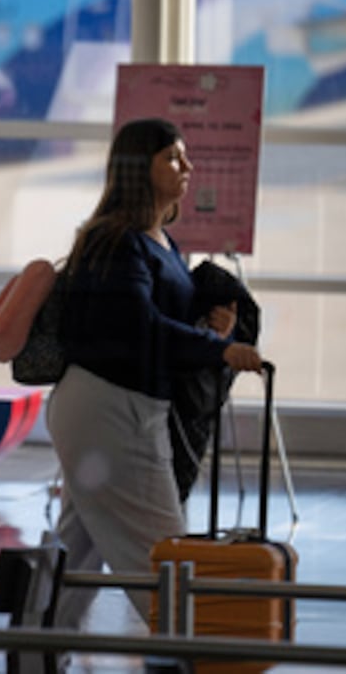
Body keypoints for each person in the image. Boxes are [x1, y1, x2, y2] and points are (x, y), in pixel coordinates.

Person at [46, 117, 263, 632]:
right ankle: (194, 651)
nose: (186, 166)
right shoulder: (119, 241)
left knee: (79, 547)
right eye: (172, 157)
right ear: (136, 168)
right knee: (166, 551)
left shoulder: (156, 238)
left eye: (184, 156)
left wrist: (213, 328)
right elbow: (137, 326)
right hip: (113, 411)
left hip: (108, 407)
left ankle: (37, 655)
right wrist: (218, 348)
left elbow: (151, 322)